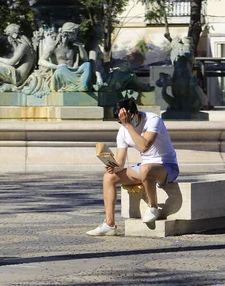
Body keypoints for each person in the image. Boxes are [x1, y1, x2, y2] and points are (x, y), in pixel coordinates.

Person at [87, 99, 180, 236]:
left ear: (134, 113)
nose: (123, 123)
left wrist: (128, 125)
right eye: (121, 121)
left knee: (145, 169)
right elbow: (120, 162)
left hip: (167, 166)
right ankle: (109, 224)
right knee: (109, 177)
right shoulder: (123, 130)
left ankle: (153, 207)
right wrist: (112, 166)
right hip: (144, 168)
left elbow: (144, 147)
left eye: (126, 118)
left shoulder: (153, 120)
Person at [38, 22, 93, 92]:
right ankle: (76, 85)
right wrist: (56, 66)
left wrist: (80, 47)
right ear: (67, 33)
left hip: (73, 70)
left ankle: (82, 85)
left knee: (87, 65)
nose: (76, 36)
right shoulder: (54, 46)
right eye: (74, 33)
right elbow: (41, 61)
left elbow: (85, 59)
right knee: (62, 69)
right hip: (60, 71)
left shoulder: (74, 47)